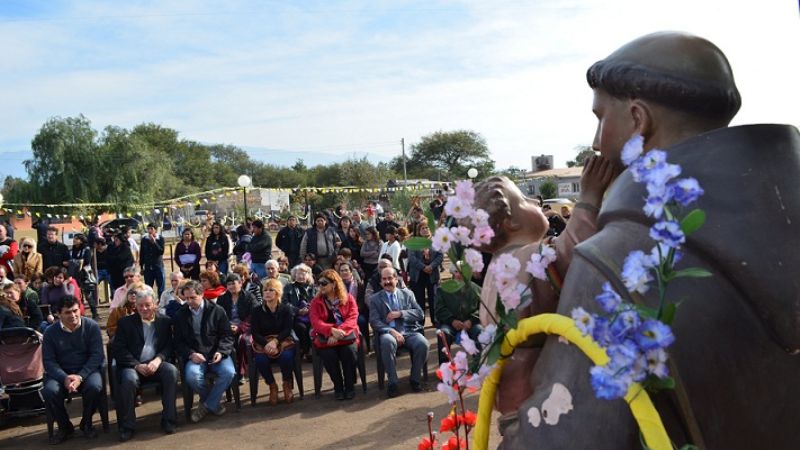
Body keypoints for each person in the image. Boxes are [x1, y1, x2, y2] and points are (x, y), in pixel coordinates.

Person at [499, 32, 800, 449]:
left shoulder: (617, 261)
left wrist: (517, 397)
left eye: (601, 118)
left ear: (638, 120)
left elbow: (565, 438)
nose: (596, 142)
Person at [111, 285, 178, 441]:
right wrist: (136, 365)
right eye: (140, 305)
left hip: (156, 364)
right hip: (133, 366)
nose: (144, 309)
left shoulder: (164, 321)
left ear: (155, 304)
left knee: (171, 372)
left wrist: (158, 359)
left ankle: (169, 420)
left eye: (148, 305)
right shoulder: (125, 323)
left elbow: (169, 346)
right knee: (128, 380)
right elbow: (118, 349)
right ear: (136, 306)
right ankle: (127, 426)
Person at [42, 295, 104, 444]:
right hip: (61, 374)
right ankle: (65, 427)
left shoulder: (91, 326)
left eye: (75, 311)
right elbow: (49, 361)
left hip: (86, 372)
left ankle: (86, 423)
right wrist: (64, 377)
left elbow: (97, 355)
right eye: (67, 312)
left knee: (95, 387)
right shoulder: (50, 332)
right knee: (50, 391)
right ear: (59, 314)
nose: (73, 315)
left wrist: (80, 376)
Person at [173, 280, 235, 423]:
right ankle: (213, 403)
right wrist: (191, 354)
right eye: (186, 298)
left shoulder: (217, 310)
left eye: (193, 297)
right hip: (195, 356)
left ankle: (206, 405)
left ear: (202, 294)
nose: (189, 301)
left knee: (229, 373)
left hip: (216, 354)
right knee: (192, 376)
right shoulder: (180, 315)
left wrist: (221, 351)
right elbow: (178, 342)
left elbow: (227, 335)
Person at [368, 267, 428, 398]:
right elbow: (374, 321)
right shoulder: (375, 299)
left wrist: (400, 313)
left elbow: (420, 314)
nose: (387, 282)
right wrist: (391, 331)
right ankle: (393, 383)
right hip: (389, 333)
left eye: (390, 278)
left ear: (396, 279)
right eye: (384, 279)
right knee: (387, 342)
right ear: (380, 282)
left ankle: (415, 379)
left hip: (409, 331)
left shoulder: (408, 294)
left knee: (422, 343)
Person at [310, 269, 360, 400]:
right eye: (319, 283)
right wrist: (331, 331)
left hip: (346, 336)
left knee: (349, 352)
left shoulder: (348, 298)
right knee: (328, 355)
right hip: (326, 338)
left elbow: (353, 318)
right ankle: (338, 386)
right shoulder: (316, 302)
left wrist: (338, 333)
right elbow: (316, 322)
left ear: (334, 284)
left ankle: (349, 385)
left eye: (324, 283)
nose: (321, 286)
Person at [250, 278, 296, 405]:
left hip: (282, 341)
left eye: (271, 290)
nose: (267, 293)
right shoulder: (256, 311)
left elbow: (287, 330)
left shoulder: (286, 309)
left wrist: (275, 341)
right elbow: (255, 332)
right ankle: (272, 385)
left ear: (278, 293)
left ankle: (287, 384)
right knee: (260, 360)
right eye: (265, 290)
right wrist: (266, 344)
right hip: (263, 343)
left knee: (286, 357)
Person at [434, 268, 482, 364]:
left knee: (480, 332)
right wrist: (452, 320)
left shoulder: (476, 289)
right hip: (450, 324)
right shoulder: (442, 289)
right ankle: (445, 366)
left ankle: (479, 364)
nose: (459, 275)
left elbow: (482, 309)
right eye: (457, 272)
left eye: (462, 272)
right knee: (443, 334)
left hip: (471, 324)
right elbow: (439, 309)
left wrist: (471, 320)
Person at [217, 273, 258, 378]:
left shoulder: (249, 297)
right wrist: (227, 327)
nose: (231, 286)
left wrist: (240, 328)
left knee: (243, 341)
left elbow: (254, 315)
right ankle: (227, 370)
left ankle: (241, 371)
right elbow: (219, 316)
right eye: (228, 284)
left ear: (240, 283)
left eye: (233, 283)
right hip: (227, 328)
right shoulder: (222, 298)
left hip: (245, 328)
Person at [407, 222, 443, 324]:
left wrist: (431, 266)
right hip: (418, 274)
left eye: (427, 227)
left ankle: (435, 320)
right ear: (419, 231)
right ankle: (420, 321)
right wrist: (423, 267)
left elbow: (440, 256)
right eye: (422, 228)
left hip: (432, 273)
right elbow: (412, 258)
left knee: (433, 298)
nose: (425, 229)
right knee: (419, 299)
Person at [282, 263, 316, 359]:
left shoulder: (313, 287)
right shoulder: (288, 287)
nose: (301, 276)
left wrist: (309, 309)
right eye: (298, 273)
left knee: (312, 327)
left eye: (304, 273)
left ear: (308, 275)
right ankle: (305, 350)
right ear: (294, 275)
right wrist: (298, 311)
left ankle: (309, 350)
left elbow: (316, 301)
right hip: (295, 317)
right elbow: (285, 303)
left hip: (311, 315)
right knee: (301, 327)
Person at [140, 223, 166, 297]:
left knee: (161, 286)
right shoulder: (144, 239)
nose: (150, 230)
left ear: (156, 230)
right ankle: (149, 301)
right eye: (148, 229)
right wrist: (141, 267)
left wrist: (154, 242)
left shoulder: (160, 238)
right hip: (148, 267)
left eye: (151, 229)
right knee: (148, 287)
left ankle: (161, 301)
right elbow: (142, 253)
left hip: (158, 266)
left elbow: (161, 251)